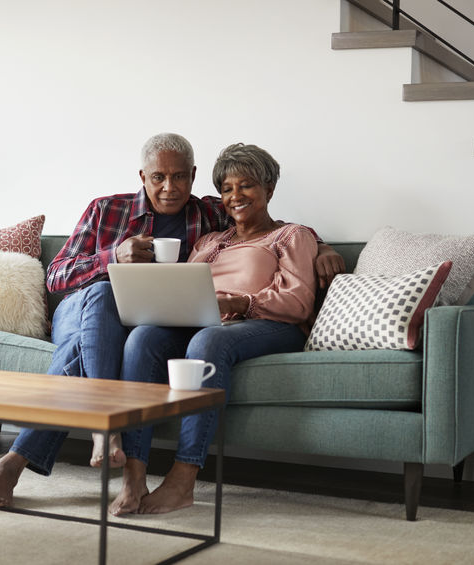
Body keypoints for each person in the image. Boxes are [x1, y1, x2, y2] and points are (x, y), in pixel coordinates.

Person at [0, 134, 344, 507]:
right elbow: (55, 278)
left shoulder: (209, 216)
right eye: (159, 178)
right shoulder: (108, 210)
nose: (170, 187)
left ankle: (31, 459)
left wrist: (322, 246)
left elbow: (276, 228)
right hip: (83, 307)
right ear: (142, 176)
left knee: (138, 339)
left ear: (193, 176)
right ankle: (108, 427)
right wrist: (112, 258)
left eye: (181, 177)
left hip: (163, 321)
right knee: (104, 298)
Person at [109, 143, 319, 516]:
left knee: (209, 339)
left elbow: (299, 301)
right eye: (226, 189)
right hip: (208, 322)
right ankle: (134, 472)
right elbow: (185, 287)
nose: (235, 196)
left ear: (269, 189)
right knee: (143, 337)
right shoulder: (209, 241)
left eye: (247, 186)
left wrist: (239, 303)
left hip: (270, 325)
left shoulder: (291, 236)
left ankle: (183, 479)